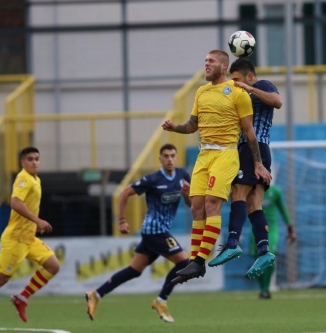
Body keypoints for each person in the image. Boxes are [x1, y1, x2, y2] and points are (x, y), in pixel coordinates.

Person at [161, 49, 272, 284]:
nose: (206, 64)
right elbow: (193, 125)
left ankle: (202, 259)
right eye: (205, 61)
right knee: (196, 207)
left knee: (213, 203)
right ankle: (195, 260)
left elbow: (249, 131)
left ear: (224, 66)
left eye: (210, 61)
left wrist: (258, 163)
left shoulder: (237, 92)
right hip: (204, 155)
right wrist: (175, 127)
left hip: (226, 155)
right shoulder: (201, 92)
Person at [85, 143, 191, 323]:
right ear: (160, 159)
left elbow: (189, 204)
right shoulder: (153, 179)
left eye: (173, 155)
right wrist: (122, 220)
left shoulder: (182, 176)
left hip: (161, 231)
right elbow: (125, 193)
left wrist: (187, 194)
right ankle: (161, 301)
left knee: (134, 270)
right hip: (153, 231)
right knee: (184, 263)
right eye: (166, 156)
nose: (170, 159)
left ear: (177, 158)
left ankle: (96, 294)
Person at [207, 58, 282, 278]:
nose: (235, 83)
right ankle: (264, 252)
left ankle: (232, 243)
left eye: (237, 79)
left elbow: (277, 101)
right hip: (254, 149)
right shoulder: (238, 95)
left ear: (249, 76)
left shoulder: (262, 86)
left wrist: (248, 88)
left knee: (237, 193)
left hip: (254, 147)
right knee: (253, 204)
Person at [0, 147, 60, 322]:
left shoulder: (36, 179)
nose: (34, 162)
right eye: (30, 159)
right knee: (2, 278)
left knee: (53, 266)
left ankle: (22, 297)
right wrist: (38, 220)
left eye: (36, 159)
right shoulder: (23, 178)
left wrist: (33, 225)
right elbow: (15, 203)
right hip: (16, 238)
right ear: (22, 162)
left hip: (29, 237)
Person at [249, 184, 296, 299]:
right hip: (255, 229)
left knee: (268, 255)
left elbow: (283, 211)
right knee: (257, 258)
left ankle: (265, 290)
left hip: (271, 230)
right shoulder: (250, 191)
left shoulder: (275, 192)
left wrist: (290, 230)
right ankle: (262, 288)